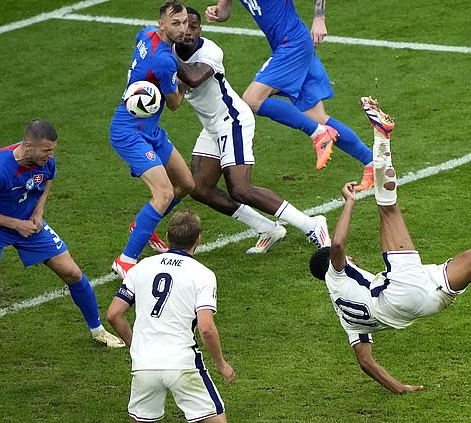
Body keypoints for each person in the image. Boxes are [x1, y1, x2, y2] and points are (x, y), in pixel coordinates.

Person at [308, 97, 471, 394]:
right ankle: (381, 135)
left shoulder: (345, 317)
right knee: (388, 208)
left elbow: (366, 362)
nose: (350, 257)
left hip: (426, 304)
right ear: (330, 263)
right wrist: (350, 203)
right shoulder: (336, 273)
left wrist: (400, 388)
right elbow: (339, 242)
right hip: (400, 291)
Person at [0, 119, 124, 378]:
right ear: (27, 145)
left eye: (53, 149)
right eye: (46, 150)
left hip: (27, 222)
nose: (51, 155)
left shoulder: (45, 162)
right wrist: (15, 224)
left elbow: (45, 183)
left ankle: (98, 330)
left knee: (73, 273)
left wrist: (38, 212)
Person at [173, 7, 330, 253]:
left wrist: (162, 57)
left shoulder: (210, 51)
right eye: (183, 26)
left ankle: (312, 224)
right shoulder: (172, 52)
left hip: (232, 120)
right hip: (211, 126)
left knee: (241, 189)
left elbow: (193, 78)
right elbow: (176, 101)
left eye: (194, 26)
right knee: (200, 188)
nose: (188, 32)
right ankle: (267, 228)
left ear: (201, 28)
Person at [205, 0, 378, 190]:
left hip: (292, 44)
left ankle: (319, 134)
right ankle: (372, 163)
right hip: (290, 43)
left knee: (253, 99)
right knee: (317, 117)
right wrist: (218, 12)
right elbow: (225, 9)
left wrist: (319, 18)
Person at [107, 210, 235, 423]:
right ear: (198, 240)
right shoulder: (202, 274)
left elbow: (114, 314)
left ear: (167, 237)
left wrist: (135, 346)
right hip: (182, 363)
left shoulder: (142, 267)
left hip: (144, 363)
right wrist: (222, 364)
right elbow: (206, 328)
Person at [110, 0, 195, 278]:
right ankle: (125, 261)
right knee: (164, 193)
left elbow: (140, 40)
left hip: (150, 130)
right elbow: (173, 104)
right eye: (176, 24)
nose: (183, 29)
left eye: (184, 22)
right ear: (162, 24)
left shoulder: (147, 34)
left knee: (185, 183)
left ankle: (143, 225)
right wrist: (183, 85)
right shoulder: (164, 60)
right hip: (130, 132)